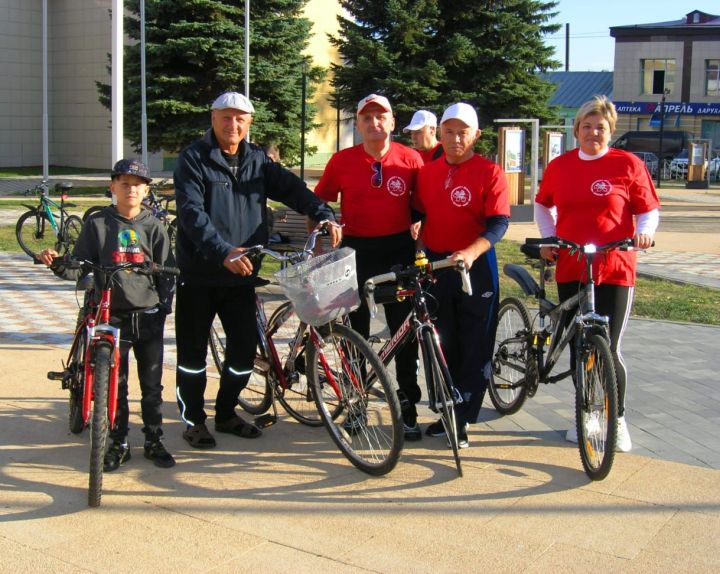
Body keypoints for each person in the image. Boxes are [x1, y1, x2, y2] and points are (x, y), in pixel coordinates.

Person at [173, 91, 341, 449]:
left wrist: (322, 212)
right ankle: (194, 421)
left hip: (242, 275)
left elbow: (294, 190)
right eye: (226, 117)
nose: (232, 124)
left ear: (249, 123)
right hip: (199, 275)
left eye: (240, 118)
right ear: (213, 118)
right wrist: (222, 252)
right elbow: (191, 215)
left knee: (242, 353)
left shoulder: (258, 161)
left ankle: (226, 413)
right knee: (192, 355)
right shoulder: (193, 159)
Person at [535, 95, 659, 453]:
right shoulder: (561, 166)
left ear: (611, 130)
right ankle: (586, 414)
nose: (593, 132)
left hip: (615, 266)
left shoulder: (628, 164)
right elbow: (544, 205)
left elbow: (648, 209)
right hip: (573, 265)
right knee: (579, 345)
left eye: (600, 127)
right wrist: (549, 237)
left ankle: (616, 419)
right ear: (576, 130)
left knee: (609, 345)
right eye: (586, 126)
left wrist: (645, 232)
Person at [39, 159, 176, 471]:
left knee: (152, 384)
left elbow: (167, 271)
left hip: (148, 315)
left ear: (146, 190)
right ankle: (119, 441)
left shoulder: (155, 226)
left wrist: (163, 307)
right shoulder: (98, 223)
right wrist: (58, 263)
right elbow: (79, 264)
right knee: (117, 383)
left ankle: (154, 438)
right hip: (111, 316)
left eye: (138, 184)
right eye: (124, 183)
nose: (131, 189)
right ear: (113, 186)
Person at [314, 93, 424, 441]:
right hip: (354, 251)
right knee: (353, 333)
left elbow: (424, 209)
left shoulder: (412, 160)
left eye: (382, 117)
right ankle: (356, 403)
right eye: (367, 118)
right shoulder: (342, 160)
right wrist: (322, 231)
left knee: (403, 332)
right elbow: (319, 202)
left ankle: (406, 408)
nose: (375, 123)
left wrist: (422, 241)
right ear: (358, 124)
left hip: (398, 252)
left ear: (393, 122)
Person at [414, 103, 511, 448]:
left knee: (475, 345)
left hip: (476, 267)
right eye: (450, 131)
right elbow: (419, 214)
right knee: (440, 344)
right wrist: (418, 248)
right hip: (438, 268)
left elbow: (499, 223)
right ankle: (445, 413)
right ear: (439, 133)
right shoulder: (426, 173)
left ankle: (464, 418)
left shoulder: (490, 172)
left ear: (476, 135)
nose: (456, 139)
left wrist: (470, 252)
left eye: (464, 132)